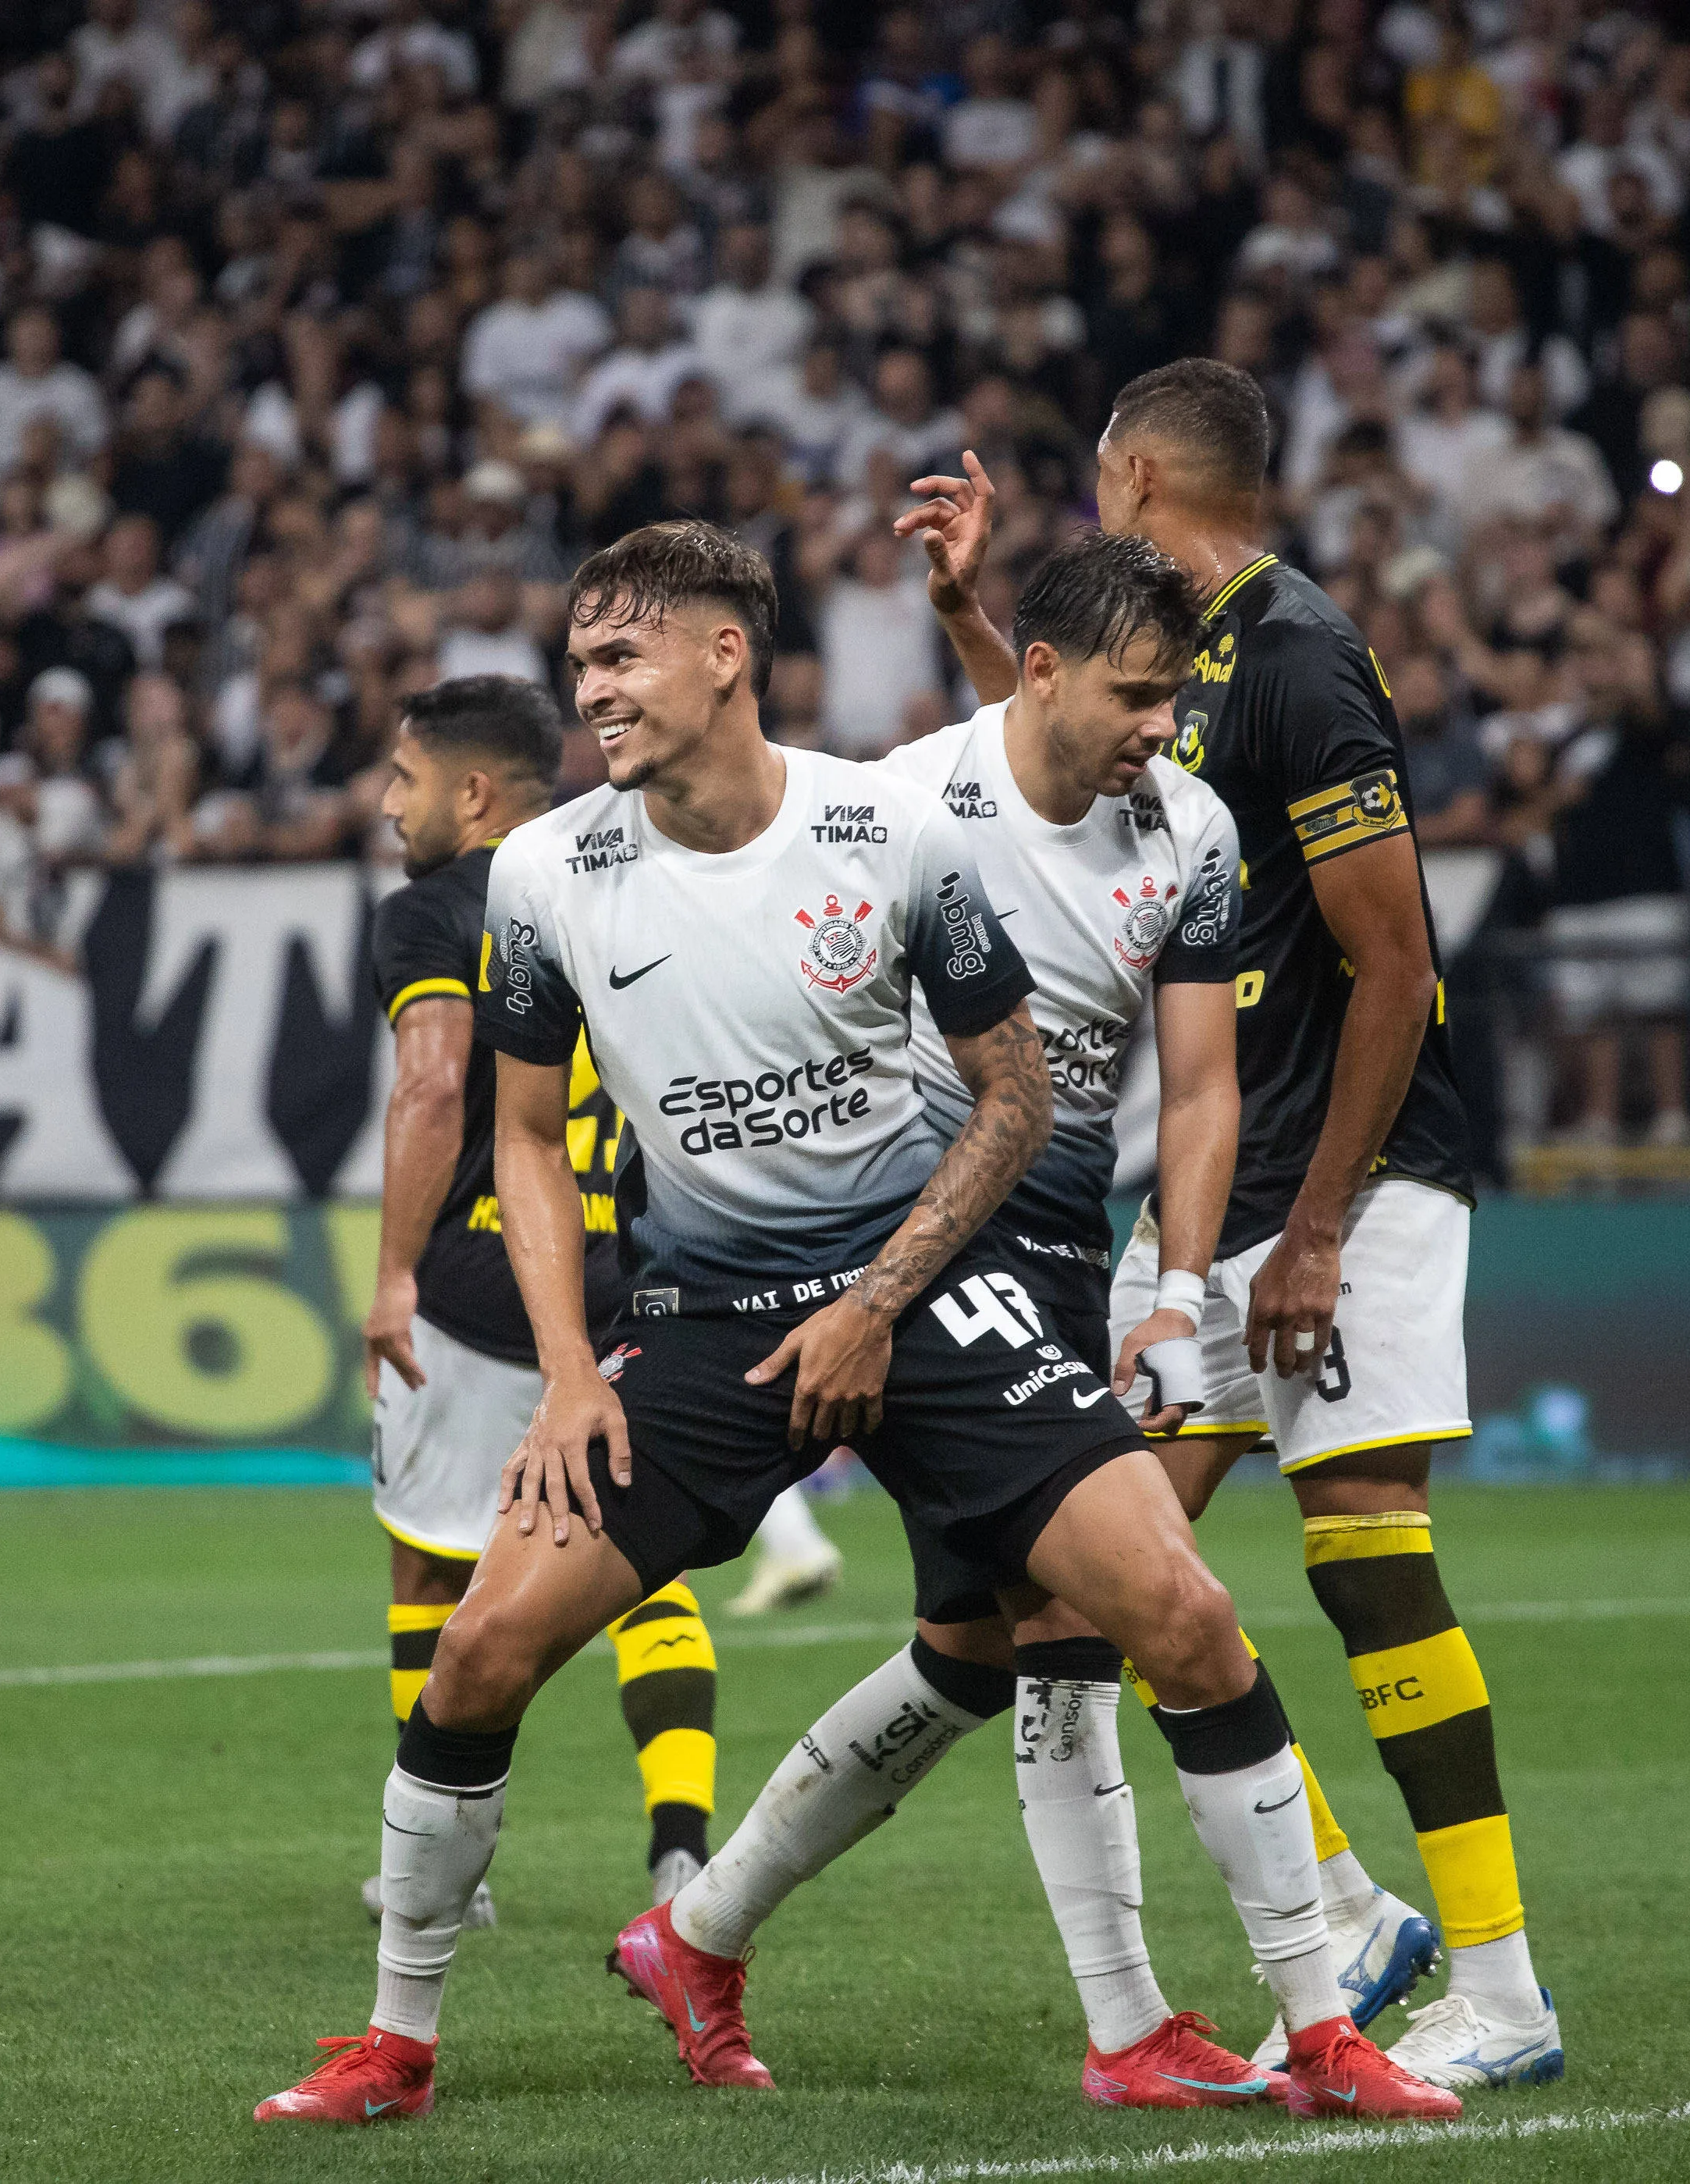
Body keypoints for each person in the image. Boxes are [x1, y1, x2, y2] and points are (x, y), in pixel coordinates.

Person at [255, 521, 1453, 2129]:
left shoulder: (885, 831)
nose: (587, 689)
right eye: (582, 658)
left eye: (620, 657)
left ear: (723, 655)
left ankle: (1319, 2031)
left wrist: (885, 1299)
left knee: (1178, 1613)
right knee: (479, 1649)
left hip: (930, 1290)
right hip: (698, 1320)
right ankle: (396, 2041)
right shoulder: (545, 873)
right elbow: (528, 1141)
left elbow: (1014, 1092)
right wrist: (558, 1378)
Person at [621, 530, 1447, 2109]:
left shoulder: (1188, 827)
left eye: (1178, 697)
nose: (1167, 729)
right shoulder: (898, 808)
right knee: (1099, 1626)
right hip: (922, 1261)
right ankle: (1180, 2017)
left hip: (1066, 1257)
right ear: (1048, 669)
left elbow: (1200, 1090)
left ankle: (705, 1923)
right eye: (1142, 695)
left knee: (976, 1646)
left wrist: (1175, 1293)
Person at [913, 359, 1564, 2093]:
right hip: (1210, 1193)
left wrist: (1328, 1223)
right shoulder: (1187, 668)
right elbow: (1081, 758)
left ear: (1130, 475)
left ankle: (1499, 1989)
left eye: (1091, 479)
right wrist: (977, 618)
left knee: (1364, 1543)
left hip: (1345, 1179)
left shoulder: (1293, 652)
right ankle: (1342, 1908)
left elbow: (1397, 956)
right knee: (1110, 1566)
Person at [358, 671, 720, 1922]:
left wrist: (396, 1270)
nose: (384, 803)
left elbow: (430, 1082)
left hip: (477, 1272)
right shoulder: (623, 875)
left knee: (430, 1577)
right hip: (620, 1274)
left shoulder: (435, 911)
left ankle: (448, 1879)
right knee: (648, 1570)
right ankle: (682, 1841)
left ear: (471, 793)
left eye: (402, 778)